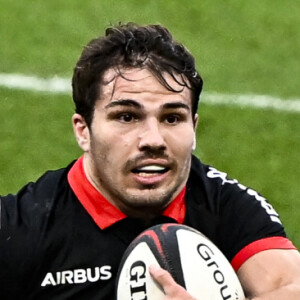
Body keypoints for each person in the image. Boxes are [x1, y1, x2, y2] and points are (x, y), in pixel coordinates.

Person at [1, 23, 300, 300]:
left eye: (172, 118)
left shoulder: (225, 205)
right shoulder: (21, 228)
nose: (153, 139)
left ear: (193, 128)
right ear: (83, 131)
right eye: (127, 117)